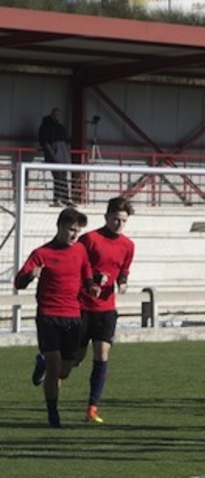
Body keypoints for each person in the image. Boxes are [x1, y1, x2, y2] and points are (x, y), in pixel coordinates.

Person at [15, 208, 99, 428]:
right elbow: (18, 282)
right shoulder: (41, 253)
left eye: (78, 232)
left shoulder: (80, 250)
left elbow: (86, 271)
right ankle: (53, 412)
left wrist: (91, 286)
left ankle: (41, 362)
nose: (74, 235)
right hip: (49, 315)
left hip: (73, 316)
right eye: (71, 230)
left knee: (65, 369)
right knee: (55, 367)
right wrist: (29, 275)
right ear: (60, 226)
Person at [69, 196, 135, 424]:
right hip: (83, 306)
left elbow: (123, 269)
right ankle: (45, 360)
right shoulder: (89, 240)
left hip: (107, 308)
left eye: (123, 221)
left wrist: (123, 282)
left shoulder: (128, 245)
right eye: (116, 219)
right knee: (74, 359)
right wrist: (93, 279)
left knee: (102, 354)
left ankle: (92, 407)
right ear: (106, 217)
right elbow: (76, 266)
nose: (119, 224)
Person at [38, 107, 72, 207]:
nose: (57, 116)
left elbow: (65, 141)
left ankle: (65, 199)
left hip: (63, 157)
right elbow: (44, 142)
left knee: (64, 178)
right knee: (58, 178)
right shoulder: (45, 127)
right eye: (55, 114)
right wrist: (52, 155)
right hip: (54, 157)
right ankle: (57, 199)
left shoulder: (60, 127)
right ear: (52, 114)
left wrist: (65, 155)